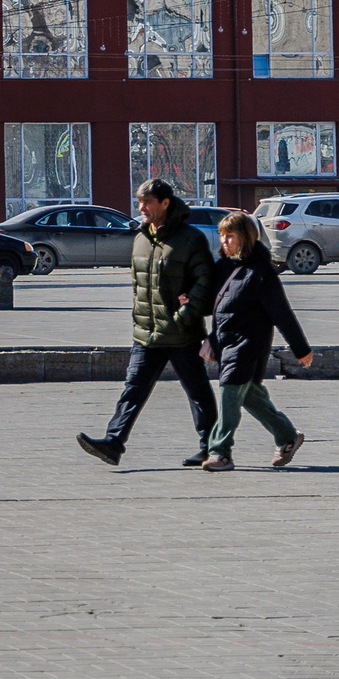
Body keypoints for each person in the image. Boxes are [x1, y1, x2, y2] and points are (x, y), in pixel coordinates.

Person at [77, 178, 216, 468]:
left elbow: (206, 282)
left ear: (166, 203)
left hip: (181, 333)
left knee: (198, 392)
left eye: (148, 202)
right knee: (133, 389)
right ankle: (113, 443)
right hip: (146, 334)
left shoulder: (190, 239)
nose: (141, 208)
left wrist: (184, 316)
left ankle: (212, 447)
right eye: (139, 202)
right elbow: (138, 285)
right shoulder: (141, 237)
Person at [199, 211, 311, 471]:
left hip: (248, 346)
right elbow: (214, 305)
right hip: (227, 344)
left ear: (246, 237)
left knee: (229, 393)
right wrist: (189, 300)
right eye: (222, 236)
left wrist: (301, 349)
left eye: (231, 236)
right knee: (250, 396)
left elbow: (282, 313)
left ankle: (220, 452)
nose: (224, 241)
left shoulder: (261, 273)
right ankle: (287, 436)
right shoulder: (226, 267)